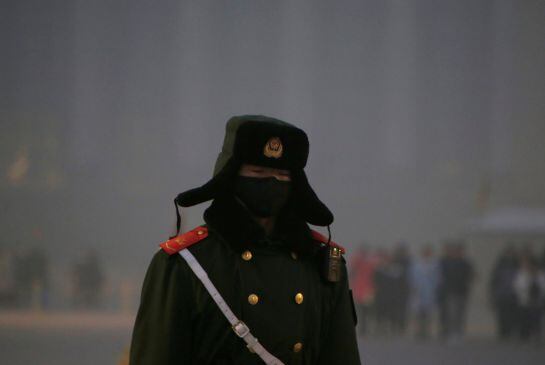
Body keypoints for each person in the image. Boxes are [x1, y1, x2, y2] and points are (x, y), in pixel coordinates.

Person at [129, 115, 361, 365]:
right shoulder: (184, 264)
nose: (272, 182)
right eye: (258, 172)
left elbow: (342, 355)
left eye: (282, 174)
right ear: (230, 176)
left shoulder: (321, 262)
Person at [489, 245, 519, 340]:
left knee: (513, 314)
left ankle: (510, 331)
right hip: (502, 294)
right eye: (508, 253)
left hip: (514, 294)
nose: (510, 255)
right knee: (502, 314)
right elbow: (494, 280)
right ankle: (503, 332)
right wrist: (493, 293)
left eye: (511, 253)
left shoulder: (517, 264)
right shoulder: (500, 264)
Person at [410, 245, 439, 339]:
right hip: (417, 293)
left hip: (430, 293)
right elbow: (411, 278)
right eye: (425, 253)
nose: (426, 254)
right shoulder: (416, 265)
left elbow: (437, 279)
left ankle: (427, 332)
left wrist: (434, 290)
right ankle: (418, 332)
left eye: (428, 253)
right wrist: (414, 288)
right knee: (417, 315)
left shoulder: (434, 265)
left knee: (428, 315)